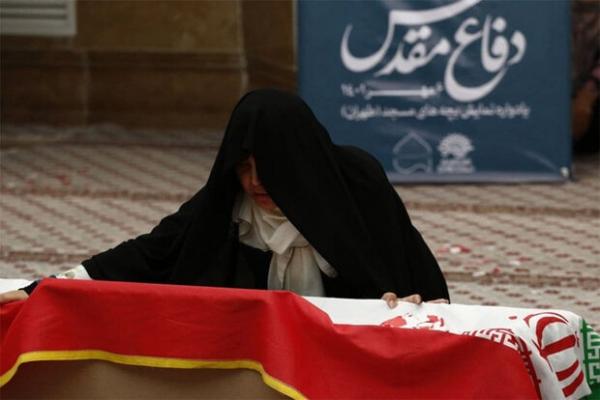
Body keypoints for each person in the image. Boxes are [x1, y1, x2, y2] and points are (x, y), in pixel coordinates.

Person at [0, 89, 449, 308]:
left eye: (269, 167)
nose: (255, 182)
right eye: (243, 166)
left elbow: (413, 273)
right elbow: (148, 254)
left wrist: (418, 307)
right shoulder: (229, 203)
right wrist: (44, 289)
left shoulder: (355, 184)